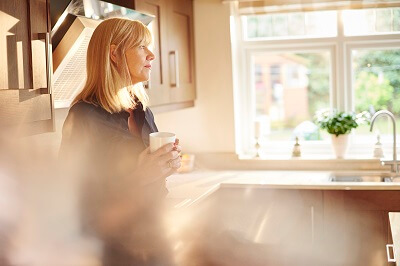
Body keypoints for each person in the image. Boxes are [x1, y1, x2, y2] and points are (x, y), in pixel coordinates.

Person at [59, 18, 181, 266]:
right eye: (141, 46)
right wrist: (139, 177)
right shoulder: (83, 116)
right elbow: (68, 200)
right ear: (114, 53)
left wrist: (167, 164)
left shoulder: (141, 109)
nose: (152, 55)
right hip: (113, 250)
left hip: (155, 235)